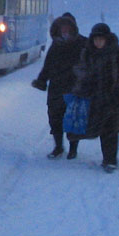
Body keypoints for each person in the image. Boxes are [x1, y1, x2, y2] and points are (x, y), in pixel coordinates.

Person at [75, 22, 119, 172]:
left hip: (116, 99)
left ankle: (110, 160)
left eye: (101, 39)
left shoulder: (117, 53)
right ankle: (108, 158)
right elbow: (82, 73)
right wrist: (79, 90)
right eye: (96, 39)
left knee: (111, 130)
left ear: (107, 39)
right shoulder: (88, 54)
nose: (98, 42)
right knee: (103, 130)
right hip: (97, 99)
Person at [31, 13, 88, 159]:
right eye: (62, 28)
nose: (65, 31)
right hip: (56, 88)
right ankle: (58, 147)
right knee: (55, 118)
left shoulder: (83, 43)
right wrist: (42, 80)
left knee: (73, 119)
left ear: (73, 27)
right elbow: (48, 65)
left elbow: (92, 64)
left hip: (75, 88)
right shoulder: (56, 44)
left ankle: (73, 149)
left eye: (67, 27)